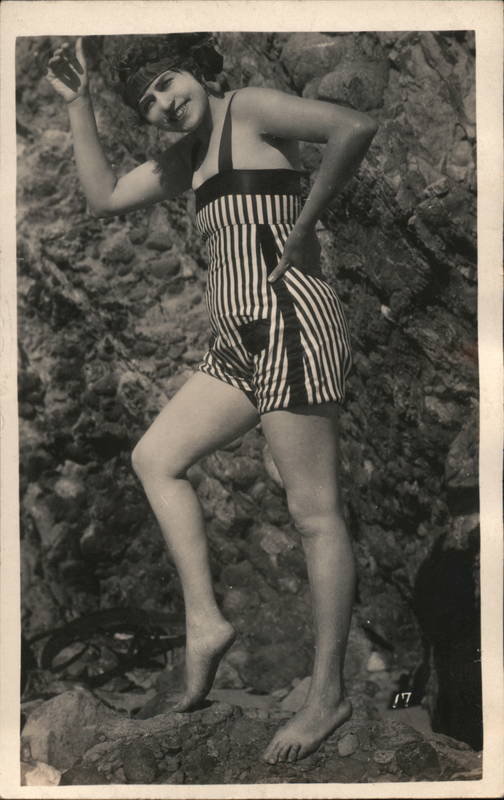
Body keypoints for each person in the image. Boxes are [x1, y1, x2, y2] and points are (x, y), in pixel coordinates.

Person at [47, 33, 377, 765]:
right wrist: (79, 105)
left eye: (167, 83)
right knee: (156, 457)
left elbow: (354, 127)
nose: (165, 104)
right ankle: (205, 623)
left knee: (313, 512)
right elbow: (101, 198)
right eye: (149, 102)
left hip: (291, 319)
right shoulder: (184, 162)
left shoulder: (250, 110)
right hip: (237, 342)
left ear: (193, 69)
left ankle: (328, 695)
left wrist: (307, 216)